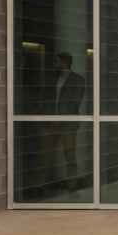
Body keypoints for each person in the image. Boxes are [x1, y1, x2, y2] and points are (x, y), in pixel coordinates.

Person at [36, 52, 86, 196]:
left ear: (64, 63)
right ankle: (39, 187)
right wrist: (50, 118)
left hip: (68, 126)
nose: (54, 64)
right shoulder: (52, 79)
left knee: (70, 156)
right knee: (44, 156)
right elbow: (45, 100)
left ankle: (72, 187)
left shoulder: (78, 80)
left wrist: (62, 119)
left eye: (56, 62)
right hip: (49, 125)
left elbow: (75, 102)